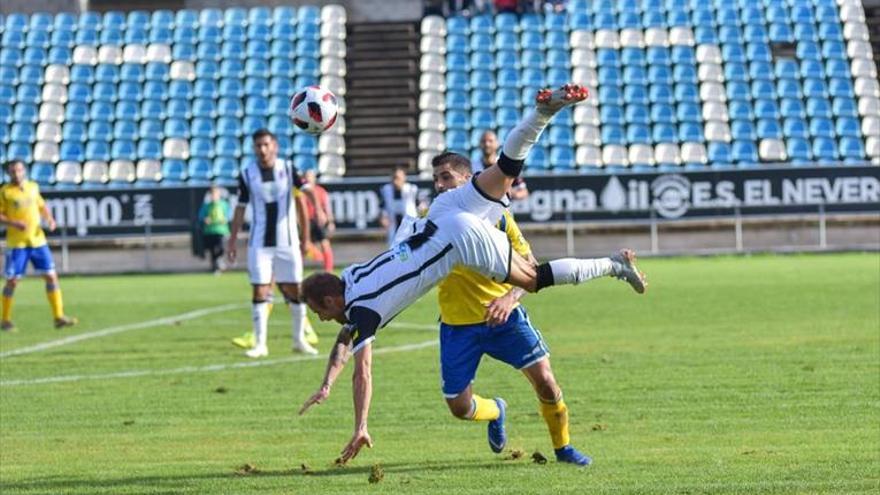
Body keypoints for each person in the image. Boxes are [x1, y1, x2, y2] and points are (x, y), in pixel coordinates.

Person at [298, 84, 647, 464]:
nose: (323, 319)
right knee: (506, 170)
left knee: (531, 278)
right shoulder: (352, 276)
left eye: (320, 313)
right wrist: (326, 383)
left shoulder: (363, 308)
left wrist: (360, 424)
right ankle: (543, 114)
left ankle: (613, 264)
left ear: (332, 300)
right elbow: (345, 338)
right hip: (447, 231)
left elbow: (362, 370)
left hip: (455, 241)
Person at [430, 153, 590, 465]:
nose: (439, 185)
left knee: (545, 379)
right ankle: (496, 410)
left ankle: (564, 448)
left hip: (504, 318)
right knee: (460, 408)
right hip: (457, 324)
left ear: (469, 180)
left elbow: (530, 267)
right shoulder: (432, 219)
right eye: (435, 179)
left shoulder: (501, 219)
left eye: (446, 177)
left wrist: (509, 299)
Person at [226, 129, 318, 358]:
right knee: (260, 289)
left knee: (295, 290)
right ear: (254, 148)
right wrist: (232, 240)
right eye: (258, 145)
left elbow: (306, 194)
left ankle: (299, 341)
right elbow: (240, 208)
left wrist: (319, 214)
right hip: (260, 243)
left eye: (266, 144)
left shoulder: (288, 169)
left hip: (288, 242)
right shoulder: (247, 174)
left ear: (275, 146)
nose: (262, 149)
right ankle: (260, 344)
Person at [0, 159, 77, 331]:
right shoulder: (5, 192)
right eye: (13, 171)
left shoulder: (33, 187)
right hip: (17, 244)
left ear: (24, 171)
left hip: (38, 241)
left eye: (19, 170)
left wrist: (49, 219)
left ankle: (58, 317)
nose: (17, 174)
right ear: (8, 173)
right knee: (12, 281)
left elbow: (42, 206)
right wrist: (14, 223)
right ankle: (4, 320)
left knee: (51, 276)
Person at [474, 130, 529, 200]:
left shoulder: (507, 165)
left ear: (497, 143)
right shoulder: (472, 166)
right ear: (479, 144)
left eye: (490, 141)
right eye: (483, 141)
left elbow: (524, 192)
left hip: (501, 209)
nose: (487, 144)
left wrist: (507, 192)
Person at [302, 170, 335, 272]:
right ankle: (298, 269)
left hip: (317, 221)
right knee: (303, 247)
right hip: (305, 222)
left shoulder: (320, 191)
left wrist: (330, 222)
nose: (308, 179)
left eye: (310, 177)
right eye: (306, 176)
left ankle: (329, 270)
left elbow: (327, 208)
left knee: (325, 245)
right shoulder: (301, 191)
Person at [378, 166, 419, 247]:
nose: (395, 181)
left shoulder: (412, 190)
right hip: (393, 227)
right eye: (393, 178)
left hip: (409, 227)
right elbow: (382, 207)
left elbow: (421, 206)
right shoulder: (386, 190)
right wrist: (383, 217)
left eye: (398, 178)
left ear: (404, 177)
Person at [197, 185, 232, 275]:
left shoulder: (224, 204)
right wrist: (205, 219)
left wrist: (225, 219)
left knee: (221, 247)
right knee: (212, 250)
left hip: (221, 230)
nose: (213, 196)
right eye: (212, 194)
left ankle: (220, 261)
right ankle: (215, 268)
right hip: (209, 231)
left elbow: (229, 215)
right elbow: (200, 216)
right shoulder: (206, 206)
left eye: (215, 194)